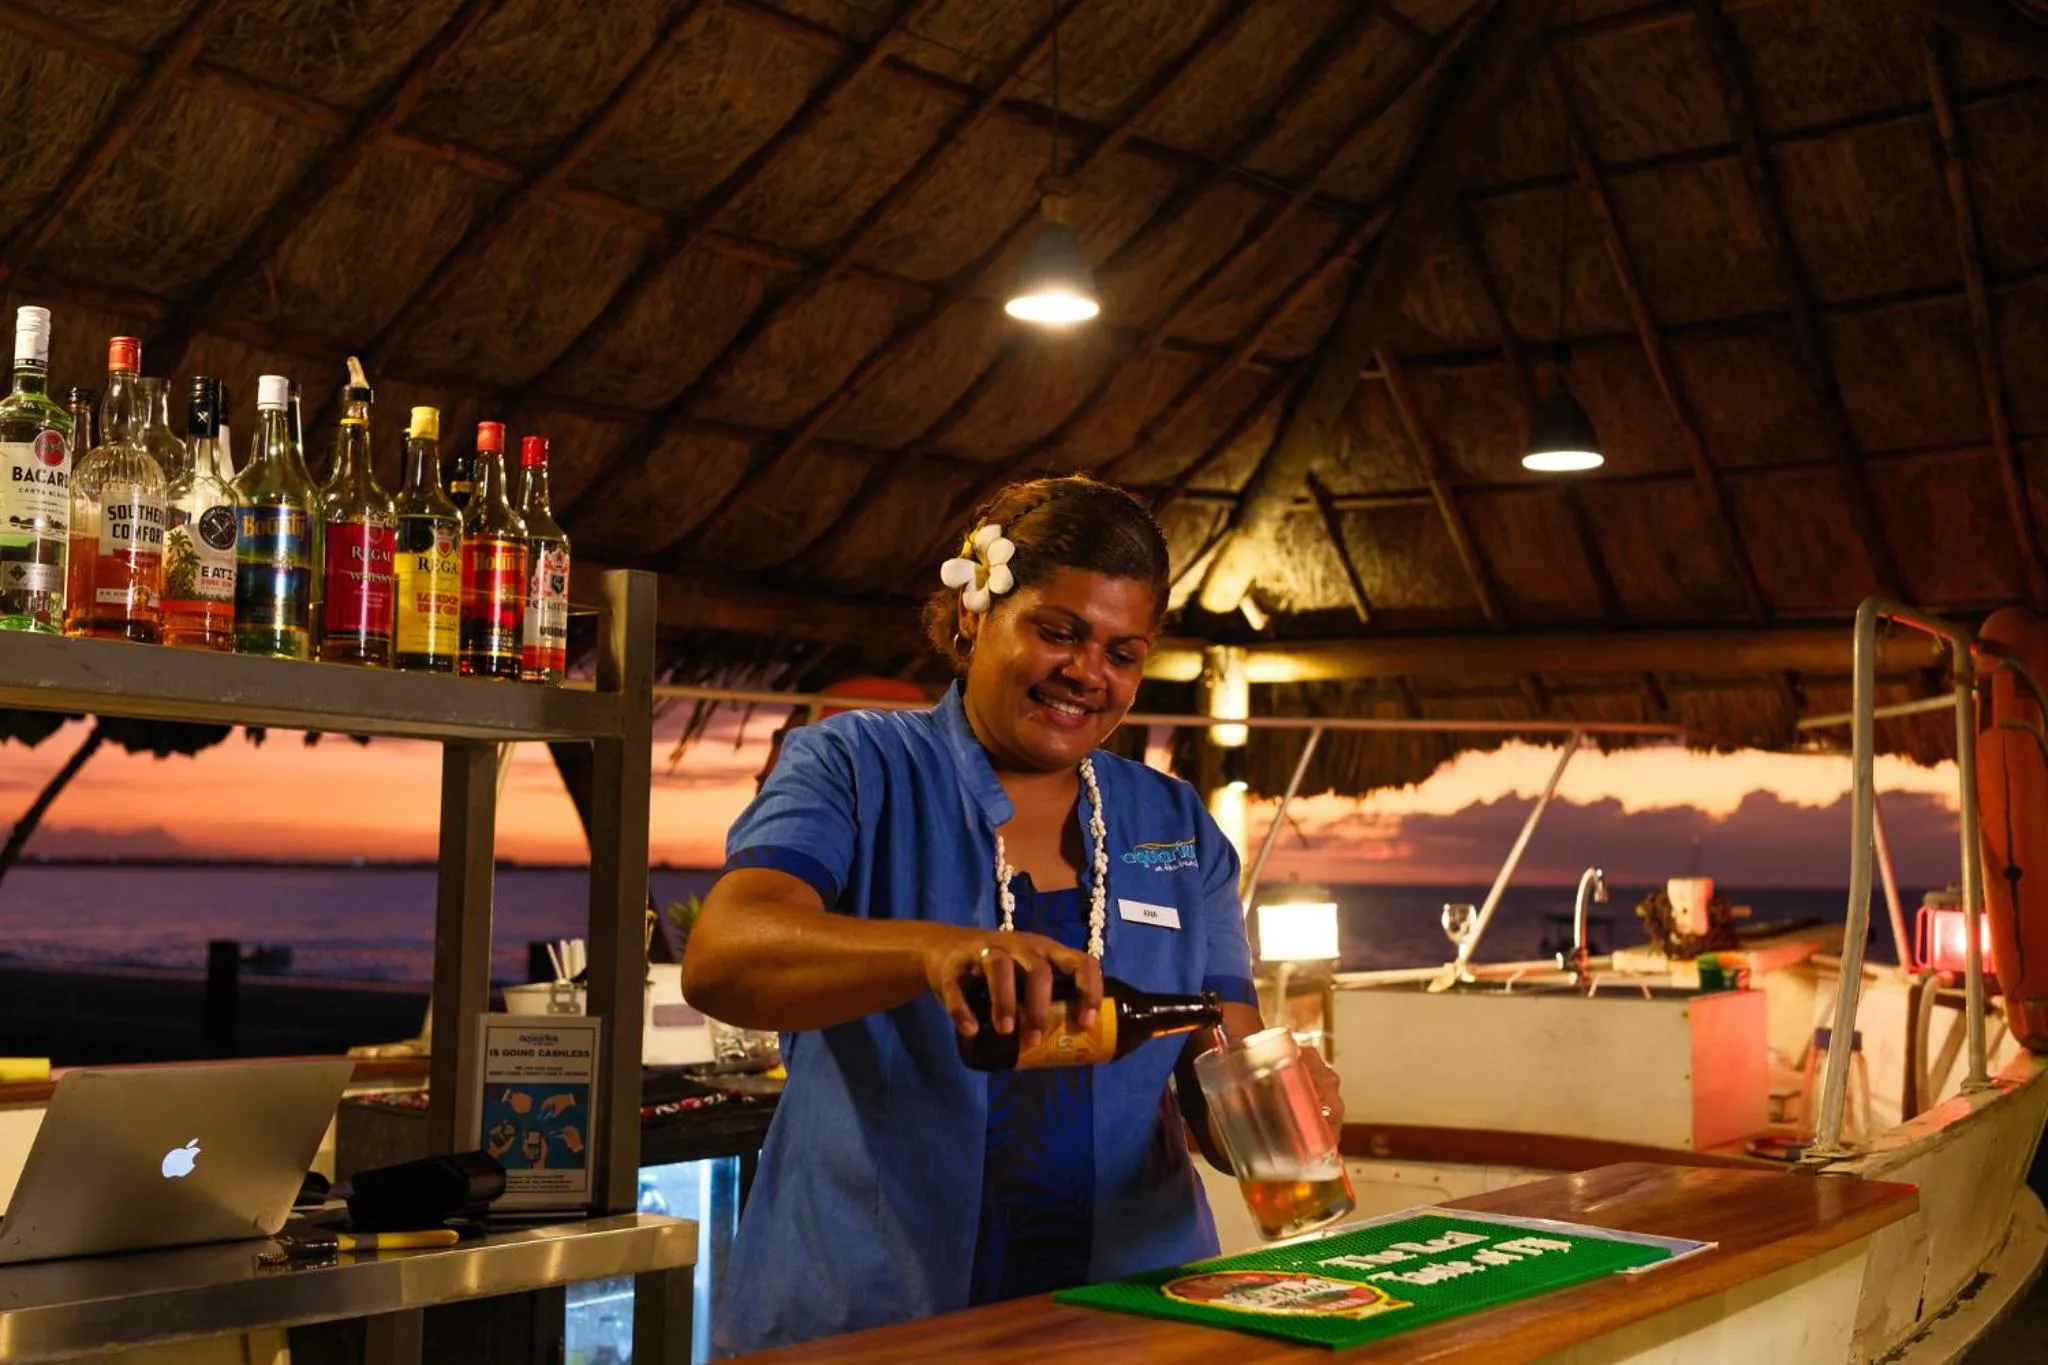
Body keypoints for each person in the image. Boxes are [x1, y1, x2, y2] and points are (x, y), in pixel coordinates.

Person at [683, 476, 1344, 1355]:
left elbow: (1217, 1061)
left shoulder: (1176, 825)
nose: (1087, 674)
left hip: (1130, 1322)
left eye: (1123, 651)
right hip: (878, 1322)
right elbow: (724, 953)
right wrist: (936, 952)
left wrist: (1278, 1105)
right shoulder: (853, 763)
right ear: (972, 615)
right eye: (1058, 631)